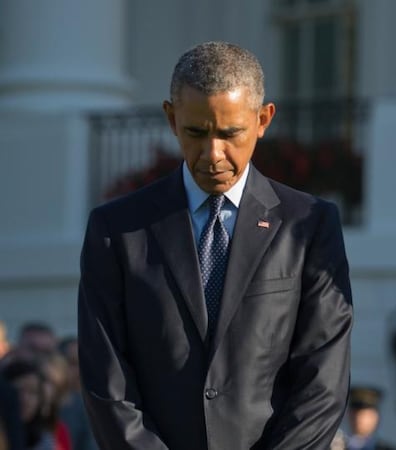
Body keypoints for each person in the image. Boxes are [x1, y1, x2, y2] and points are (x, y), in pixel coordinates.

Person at [77, 41, 354, 450]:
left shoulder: (310, 225)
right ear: (172, 119)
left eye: (230, 134)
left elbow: (322, 383)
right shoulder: (115, 230)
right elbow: (107, 383)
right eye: (195, 132)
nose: (213, 154)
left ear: (263, 119)